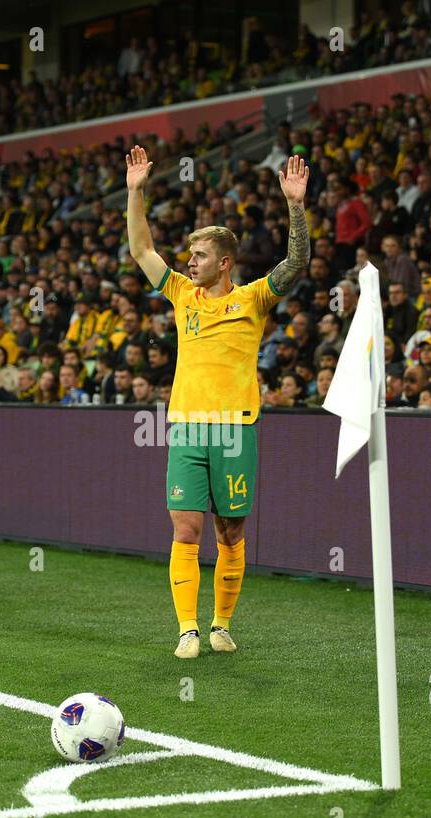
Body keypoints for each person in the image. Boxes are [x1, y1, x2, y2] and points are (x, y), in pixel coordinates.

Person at [126, 144, 309, 660]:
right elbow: (142, 251)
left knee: (230, 531)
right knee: (186, 528)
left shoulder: (252, 298)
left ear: (223, 262)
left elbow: (297, 263)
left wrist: (295, 205)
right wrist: (135, 191)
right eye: (190, 255)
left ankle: (221, 624)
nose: (190, 261)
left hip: (236, 428)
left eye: (200, 255)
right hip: (185, 427)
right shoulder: (182, 294)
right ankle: (187, 628)